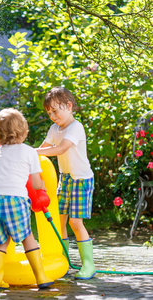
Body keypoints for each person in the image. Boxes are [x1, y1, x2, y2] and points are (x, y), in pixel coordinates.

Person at [0, 108, 54, 291]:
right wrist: (42, 187)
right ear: (24, 132)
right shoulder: (29, 152)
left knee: (1, 241)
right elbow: (36, 183)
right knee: (27, 237)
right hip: (15, 199)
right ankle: (41, 277)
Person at [36, 87, 96, 280]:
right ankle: (63, 260)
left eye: (56, 110)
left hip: (81, 179)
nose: (53, 116)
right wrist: (26, 152)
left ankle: (89, 265)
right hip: (66, 178)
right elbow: (43, 148)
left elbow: (61, 149)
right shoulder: (54, 129)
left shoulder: (76, 127)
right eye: (49, 113)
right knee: (60, 219)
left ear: (69, 106)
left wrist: (33, 153)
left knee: (75, 222)